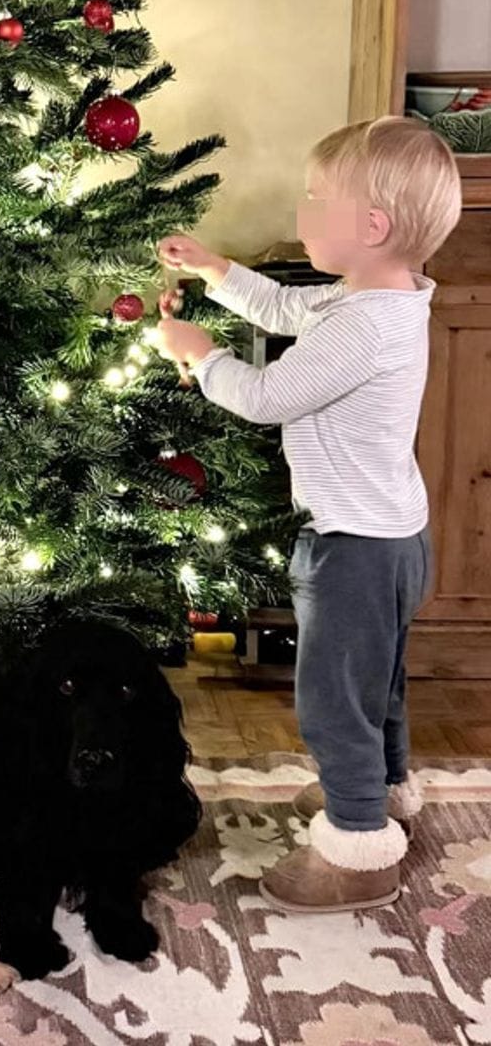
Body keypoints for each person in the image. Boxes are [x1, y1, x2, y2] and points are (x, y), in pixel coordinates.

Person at [154, 116, 461, 913]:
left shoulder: (363, 326)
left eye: (317, 198)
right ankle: (382, 798)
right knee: (376, 689)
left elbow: (264, 397)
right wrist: (219, 272)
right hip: (394, 535)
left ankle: (357, 850)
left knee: (333, 699)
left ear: (372, 227)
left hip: (354, 548)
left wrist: (198, 353)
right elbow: (291, 312)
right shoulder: (379, 298)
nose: (302, 212)